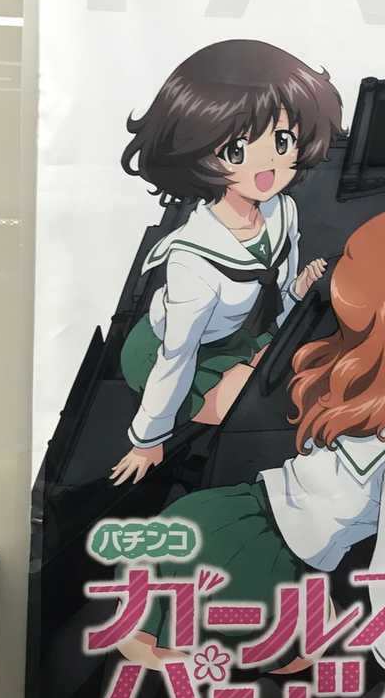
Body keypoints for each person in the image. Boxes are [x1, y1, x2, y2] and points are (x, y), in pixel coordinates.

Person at [117, 202, 385, 698]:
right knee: (305, 656)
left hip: (232, 511)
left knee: (155, 623)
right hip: (278, 569)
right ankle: (198, 667)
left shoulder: (361, 372)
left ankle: (175, 654)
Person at [112, 40, 343, 485]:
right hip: (176, 352)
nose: (267, 165)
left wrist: (296, 292)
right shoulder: (192, 262)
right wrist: (147, 440)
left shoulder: (283, 211)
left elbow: (277, 291)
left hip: (243, 334)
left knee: (309, 371)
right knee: (263, 403)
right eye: (236, 150)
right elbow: (176, 356)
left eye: (282, 141)